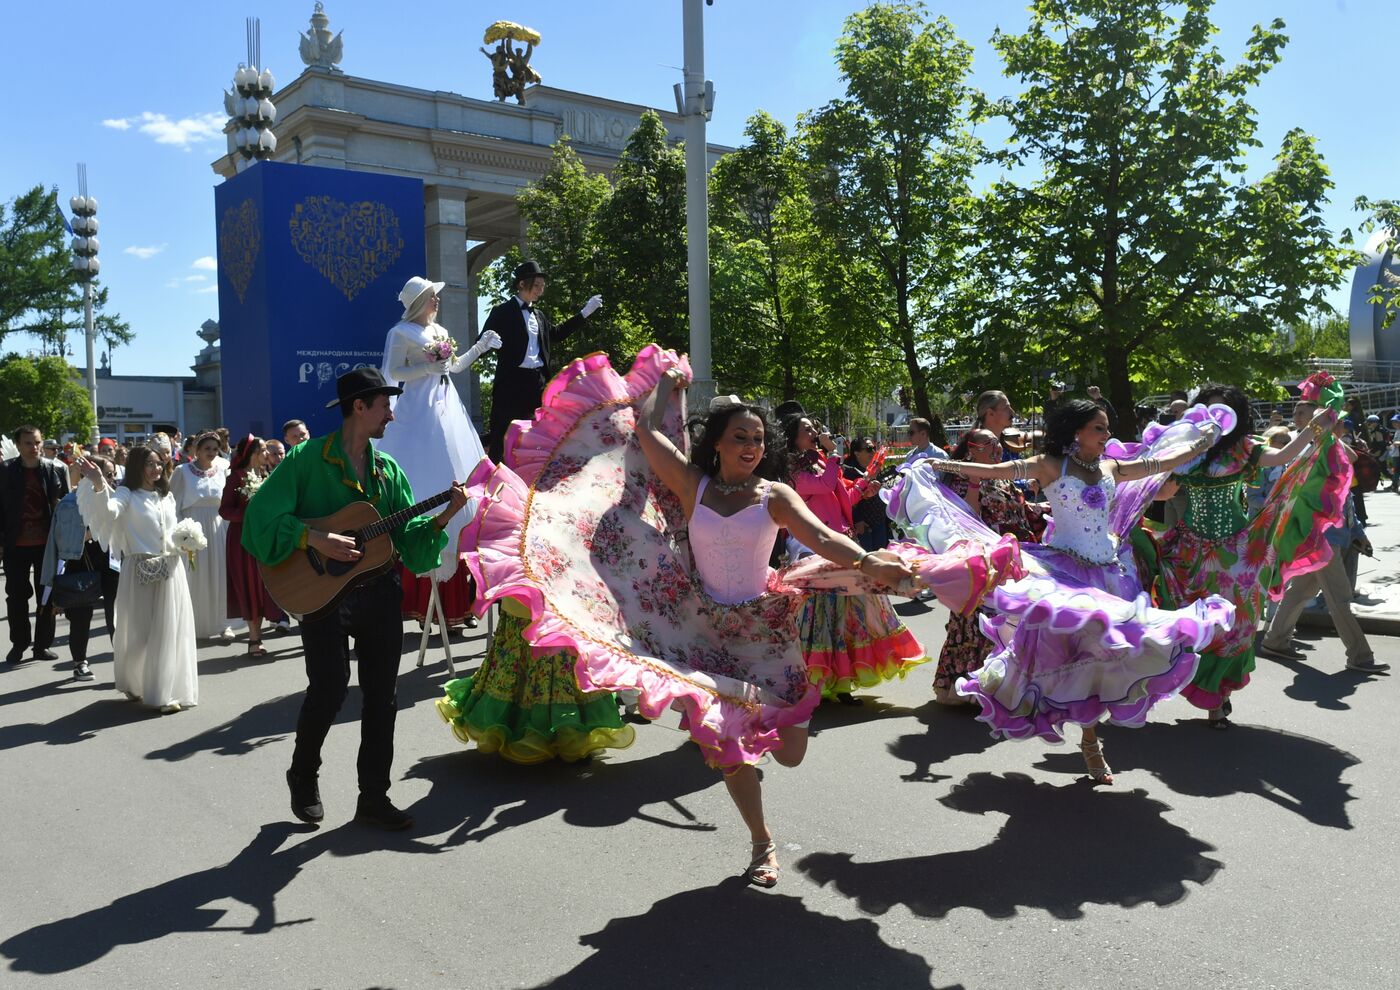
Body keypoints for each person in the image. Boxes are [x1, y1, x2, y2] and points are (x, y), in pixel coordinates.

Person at [456, 351, 1015, 887]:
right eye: (740, 437)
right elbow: (648, 438)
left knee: (791, 753)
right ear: (717, 444)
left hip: (766, 632)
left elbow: (822, 537)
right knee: (727, 743)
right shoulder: (693, 486)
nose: (751, 446)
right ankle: (760, 841)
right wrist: (664, 387)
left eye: (758, 439)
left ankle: (759, 742)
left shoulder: (772, 496)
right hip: (704, 632)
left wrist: (869, 561)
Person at [891, 399, 1233, 782]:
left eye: (1106, 428)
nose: (1106, 435)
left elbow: (1156, 465)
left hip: (1110, 574)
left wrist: (1199, 446)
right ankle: (1088, 740)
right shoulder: (1050, 465)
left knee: (1112, 654)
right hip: (1066, 575)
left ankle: (1090, 739)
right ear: (1077, 432)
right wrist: (941, 464)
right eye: (1099, 429)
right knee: (1067, 658)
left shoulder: (1110, 467)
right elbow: (992, 471)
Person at [242, 367, 471, 831]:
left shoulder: (388, 471)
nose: (391, 414)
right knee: (327, 690)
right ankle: (303, 775)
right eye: (384, 405)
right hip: (321, 592)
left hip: (379, 593)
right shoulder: (306, 459)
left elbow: (407, 542)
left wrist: (445, 516)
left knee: (382, 699)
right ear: (359, 407)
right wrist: (313, 539)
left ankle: (374, 797)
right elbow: (259, 522)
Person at [1147, 378, 1350, 727]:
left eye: (1221, 409)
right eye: (1208, 408)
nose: (1214, 416)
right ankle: (1178, 682)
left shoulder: (1245, 448)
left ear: (1236, 416)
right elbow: (1163, 489)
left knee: (1236, 627)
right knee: (1183, 621)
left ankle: (1218, 699)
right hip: (1189, 551)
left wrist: (1317, 425)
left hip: (1239, 554)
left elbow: (1285, 456)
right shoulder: (1189, 447)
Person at [378, 275, 498, 629]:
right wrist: (426, 368)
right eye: (433, 296)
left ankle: (455, 576)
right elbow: (392, 371)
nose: (437, 302)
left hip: (447, 408)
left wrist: (481, 346)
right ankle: (422, 540)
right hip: (418, 410)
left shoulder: (439, 329)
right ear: (420, 301)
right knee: (425, 472)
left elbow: (455, 366)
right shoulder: (400, 332)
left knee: (456, 466)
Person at [784, 413, 925, 703]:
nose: (814, 431)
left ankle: (843, 682)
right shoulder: (791, 470)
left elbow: (841, 497)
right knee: (820, 618)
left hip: (840, 542)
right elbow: (823, 487)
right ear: (792, 437)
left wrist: (862, 489)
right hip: (813, 548)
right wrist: (834, 454)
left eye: (814, 427)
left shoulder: (820, 463)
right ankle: (816, 679)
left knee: (849, 614)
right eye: (807, 429)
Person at [435, 595, 636, 763]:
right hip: (528, 594)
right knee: (534, 659)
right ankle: (544, 733)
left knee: (563, 662)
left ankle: (564, 732)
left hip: (561, 597)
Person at [73, 447, 199, 713]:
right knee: (141, 633)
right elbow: (108, 512)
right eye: (149, 464)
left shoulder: (166, 495)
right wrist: (98, 482)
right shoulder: (126, 494)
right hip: (139, 569)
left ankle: (164, 693)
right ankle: (133, 680)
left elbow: (170, 530)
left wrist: (186, 540)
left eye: (158, 463)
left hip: (171, 568)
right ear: (136, 467)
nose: (155, 469)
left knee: (169, 631)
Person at [929, 428, 1046, 705]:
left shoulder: (1004, 479)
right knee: (980, 624)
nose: (996, 449)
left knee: (1014, 621)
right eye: (988, 444)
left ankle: (1009, 685)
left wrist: (1042, 505)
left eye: (997, 444)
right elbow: (965, 518)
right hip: (984, 563)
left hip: (1015, 562)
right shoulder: (959, 482)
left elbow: (1019, 510)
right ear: (971, 450)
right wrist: (973, 482)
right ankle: (974, 686)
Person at [481, 259, 602, 461]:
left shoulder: (539, 315)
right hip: (511, 383)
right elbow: (482, 342)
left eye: (542, 286)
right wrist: (486, 343)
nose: (540, 291)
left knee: (539, 434)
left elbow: (557, 334)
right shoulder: (501, 312)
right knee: (501, 436)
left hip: (537, 382)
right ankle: (492, 484)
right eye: (537, 285)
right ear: (521, 284)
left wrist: (584, 313)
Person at [41, 455, 121, 681]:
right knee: (80, 615)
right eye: (107, 474)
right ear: (89, 475)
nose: (111, 479)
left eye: (113, 474)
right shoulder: (69, 502)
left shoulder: (116, 498)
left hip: (111, 561)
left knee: (117, 615)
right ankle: (80, 662)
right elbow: (59, 543)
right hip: (80, 563)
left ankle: (124, 662)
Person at [1, 426, 69, 665]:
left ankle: (42, 645)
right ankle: (19, 644)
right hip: (15, 544)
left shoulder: (55, 470)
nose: (34, 447)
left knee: (47, 596)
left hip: (47, 545)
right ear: (18, 445)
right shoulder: (5, 471)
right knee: (16, 596)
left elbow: (66, 508)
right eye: (28, 443)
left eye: (37, 442)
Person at [220, 436, 284, 657]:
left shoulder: (266, 476)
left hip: (264, 538)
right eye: (264, 450)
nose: (267, 454)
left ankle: (263, 629)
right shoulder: (236, 478)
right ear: (252, 454)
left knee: (263, 585)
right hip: (242, 540)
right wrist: (249, 515)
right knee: (248, 586)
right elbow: (225, 510)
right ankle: (254, 638)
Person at [169, 431, 231, 640]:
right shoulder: (182, 471)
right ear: (197, 450)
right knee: (195, 575)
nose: (212, 453)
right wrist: (181, 532)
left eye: (215, 449)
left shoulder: (222, 468)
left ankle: (223, 622)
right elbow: (173, 504)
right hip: (192, 525)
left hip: (217, 526)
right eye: (207, 449)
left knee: (219, 573)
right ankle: (192, 622)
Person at [844, 437, 890, 552]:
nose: (873, 452)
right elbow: (847, 498)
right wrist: (857, 520)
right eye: (869, 449)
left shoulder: (875, 468)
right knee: (866, 560)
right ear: (857, 453)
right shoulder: (849, 471)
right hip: (862, 525)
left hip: (879, 522)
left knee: (881, 558)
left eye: (874, 448)